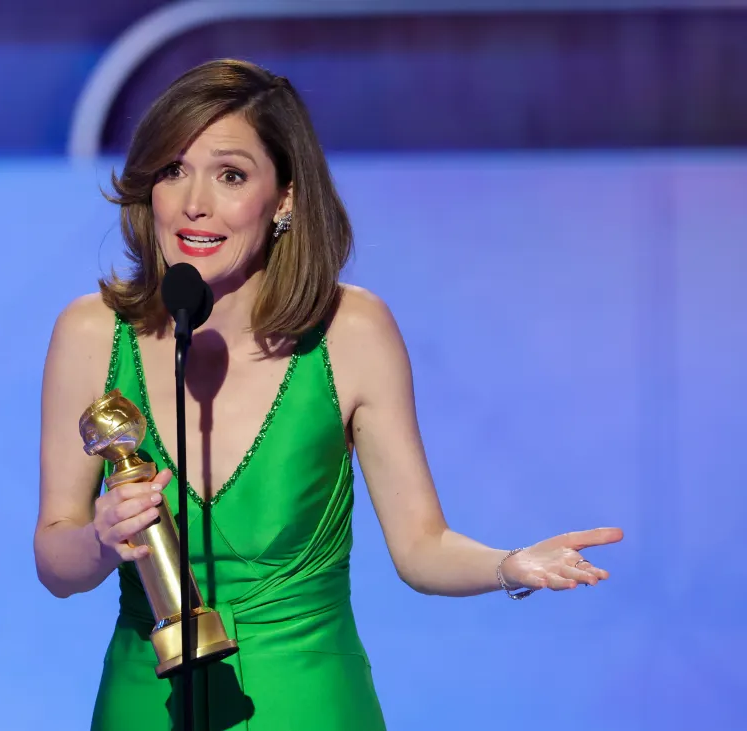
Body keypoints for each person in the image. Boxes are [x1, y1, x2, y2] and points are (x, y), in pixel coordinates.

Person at [33, 59, 623, 730]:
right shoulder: (90, 332)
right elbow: (56, 557)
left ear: (283, 198)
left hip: (310, 700)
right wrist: (104, 541)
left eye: (230, 174)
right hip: (147, 701)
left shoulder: (352, 330)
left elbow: (421, 546)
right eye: (173, 169)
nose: (194, 201)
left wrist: (510, 564)